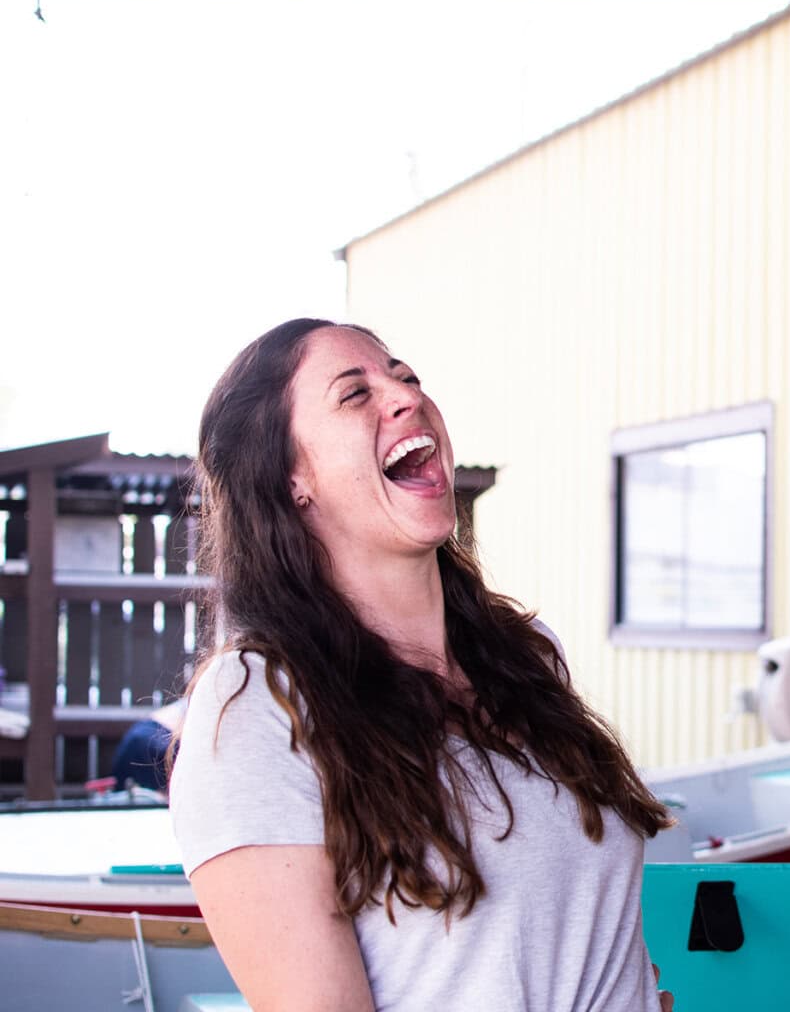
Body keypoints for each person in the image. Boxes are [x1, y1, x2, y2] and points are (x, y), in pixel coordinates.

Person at [170, 318, 674, 1011]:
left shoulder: (523, 655)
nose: (406, 397)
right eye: (354, 395)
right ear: (291, 478)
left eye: (405, 377)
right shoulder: (256, 705)